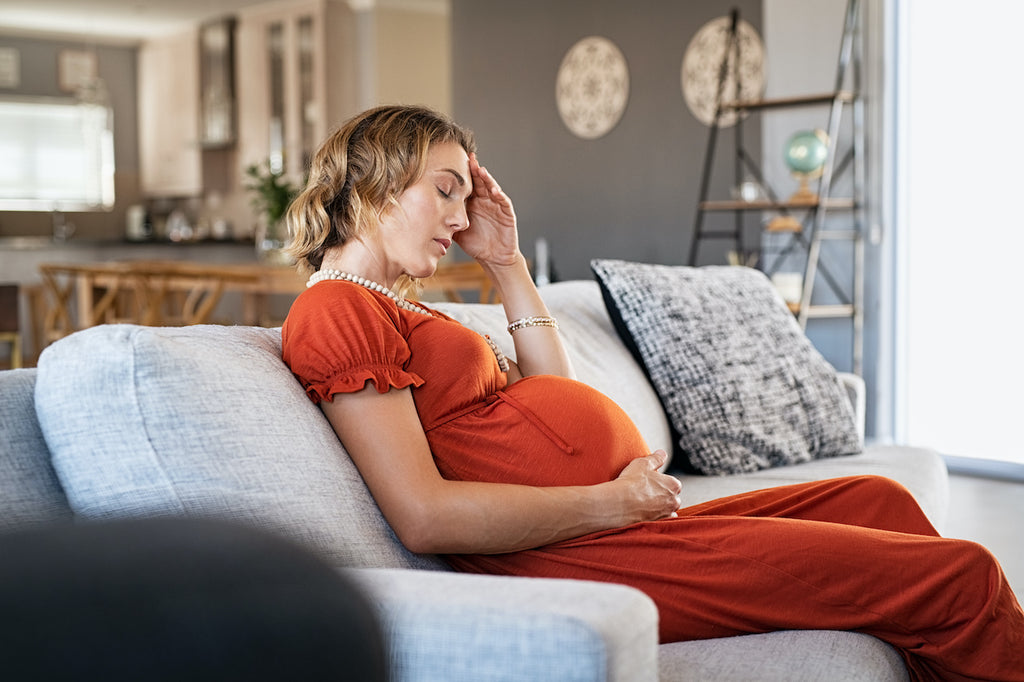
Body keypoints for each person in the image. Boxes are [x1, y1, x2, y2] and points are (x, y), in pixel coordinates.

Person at [281, 104, 1023, 681]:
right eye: (445, 192)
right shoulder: (336, 308)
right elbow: (423, 516)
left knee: (879, 501)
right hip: (573, 553)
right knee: (966, 578)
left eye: (465, 196)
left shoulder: (404, 305)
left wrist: (508, 265)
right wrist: (610, 503)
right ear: (376, 183)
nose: (458, 217)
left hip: (622, 528)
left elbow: (553, 397)